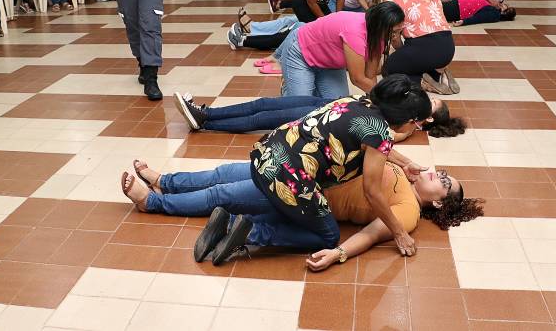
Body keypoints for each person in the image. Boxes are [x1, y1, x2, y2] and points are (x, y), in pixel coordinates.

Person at [121, 76, 439, 265]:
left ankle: (167, 187)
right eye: (417, 122)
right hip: (290, 179)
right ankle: (163, 205)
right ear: (408, 119)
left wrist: (404, 162)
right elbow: (371, 189)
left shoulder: (358, 102)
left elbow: (369, 142)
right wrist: (399, 233)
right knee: (328, 235)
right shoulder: (380, 133)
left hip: (271, 152)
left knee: (223, 183)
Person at [173, 90, 464, 139]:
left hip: (328, 115)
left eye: (432, 103)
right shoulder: (411, 103)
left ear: (428, 119)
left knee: (262, 120)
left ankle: (205, 121)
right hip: (333, 101)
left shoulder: (408, 126)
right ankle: (207, 113)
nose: (428, 99)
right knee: (265, 103)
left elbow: (384, 136)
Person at [278, 2, 404, 98]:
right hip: (300, 52)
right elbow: (358, 79)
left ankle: (308, 85)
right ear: (381, 26)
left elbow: (370, 75)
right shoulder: (355, 32)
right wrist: (386, 99)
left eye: (399, 31)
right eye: (393, 32)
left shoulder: (379, 35)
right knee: (302, 107)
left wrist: (375, 101)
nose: (395, 36)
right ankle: (289, 89)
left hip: (330, 63)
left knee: (338, 106)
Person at [383, 0, 457, 94]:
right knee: (416, 61)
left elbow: (394, 36)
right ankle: (439, 74)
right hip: (448, 48)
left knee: (389, 68)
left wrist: (400, 53)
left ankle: (421, 82)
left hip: (424, 47)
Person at [443, 0, 517, 26]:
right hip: (459, 4)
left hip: (458, 9)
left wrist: (463, 22)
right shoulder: (493, 8)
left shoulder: (494, 14)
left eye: (505, 6)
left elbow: (478, 18)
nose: (502, 4)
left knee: (437, 10)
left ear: (503, 12)